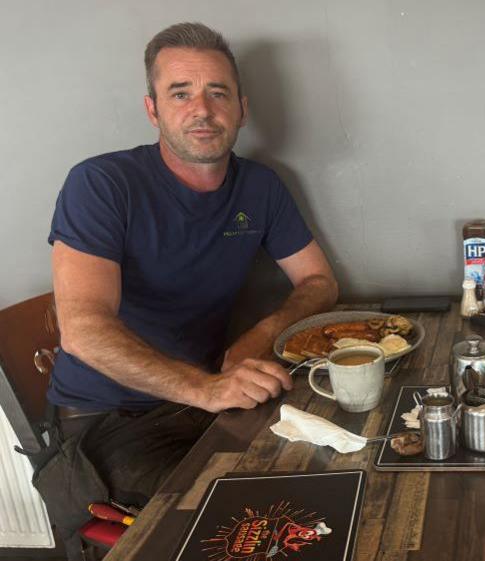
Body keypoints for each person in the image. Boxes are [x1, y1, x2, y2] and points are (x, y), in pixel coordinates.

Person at [35, 22, 338, 538]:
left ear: (241, 107)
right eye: (180, 93)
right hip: (107, 423)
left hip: (204, 402)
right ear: (152, 109)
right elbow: (82, 330)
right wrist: (205, 389)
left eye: (217, 92)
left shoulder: (260, 185)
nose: (202, 109)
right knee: (262, 517)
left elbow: (319, 282)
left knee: (328, 468)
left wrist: (259, 336)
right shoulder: (101, 183)